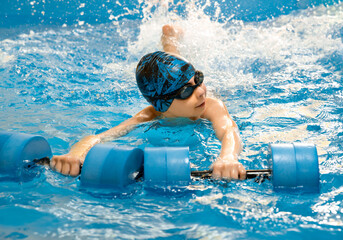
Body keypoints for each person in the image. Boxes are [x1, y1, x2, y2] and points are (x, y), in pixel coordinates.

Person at [51, 24, 246, 180]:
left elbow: (229, 130)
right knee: (171, 74)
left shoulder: (211, 105)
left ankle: (170, 40)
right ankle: (170, 40)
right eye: (187, 91)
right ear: (162, 105)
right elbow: (100, 137)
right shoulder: (148, 115)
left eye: (199, 79)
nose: (201, 92)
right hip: (164, 90)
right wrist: (75, 154)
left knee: (176, 66)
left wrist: (228, 156)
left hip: (217, 92)